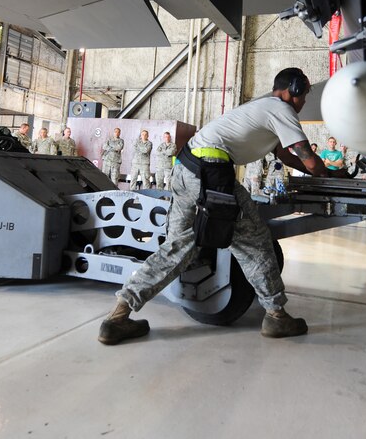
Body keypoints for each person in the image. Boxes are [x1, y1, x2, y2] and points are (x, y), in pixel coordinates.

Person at [99, 67, 334, 345]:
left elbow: (284, 154)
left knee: (177, 246)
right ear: (292, 89)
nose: (305, 101)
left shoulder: (260, 109)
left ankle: (119, 314)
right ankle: (276, 316)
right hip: (210, 173)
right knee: (255, 243)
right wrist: (330, 174)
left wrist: (318, 169)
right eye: (304, 94)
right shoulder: (281, 110)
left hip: (186, 167)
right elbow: (305, 156)